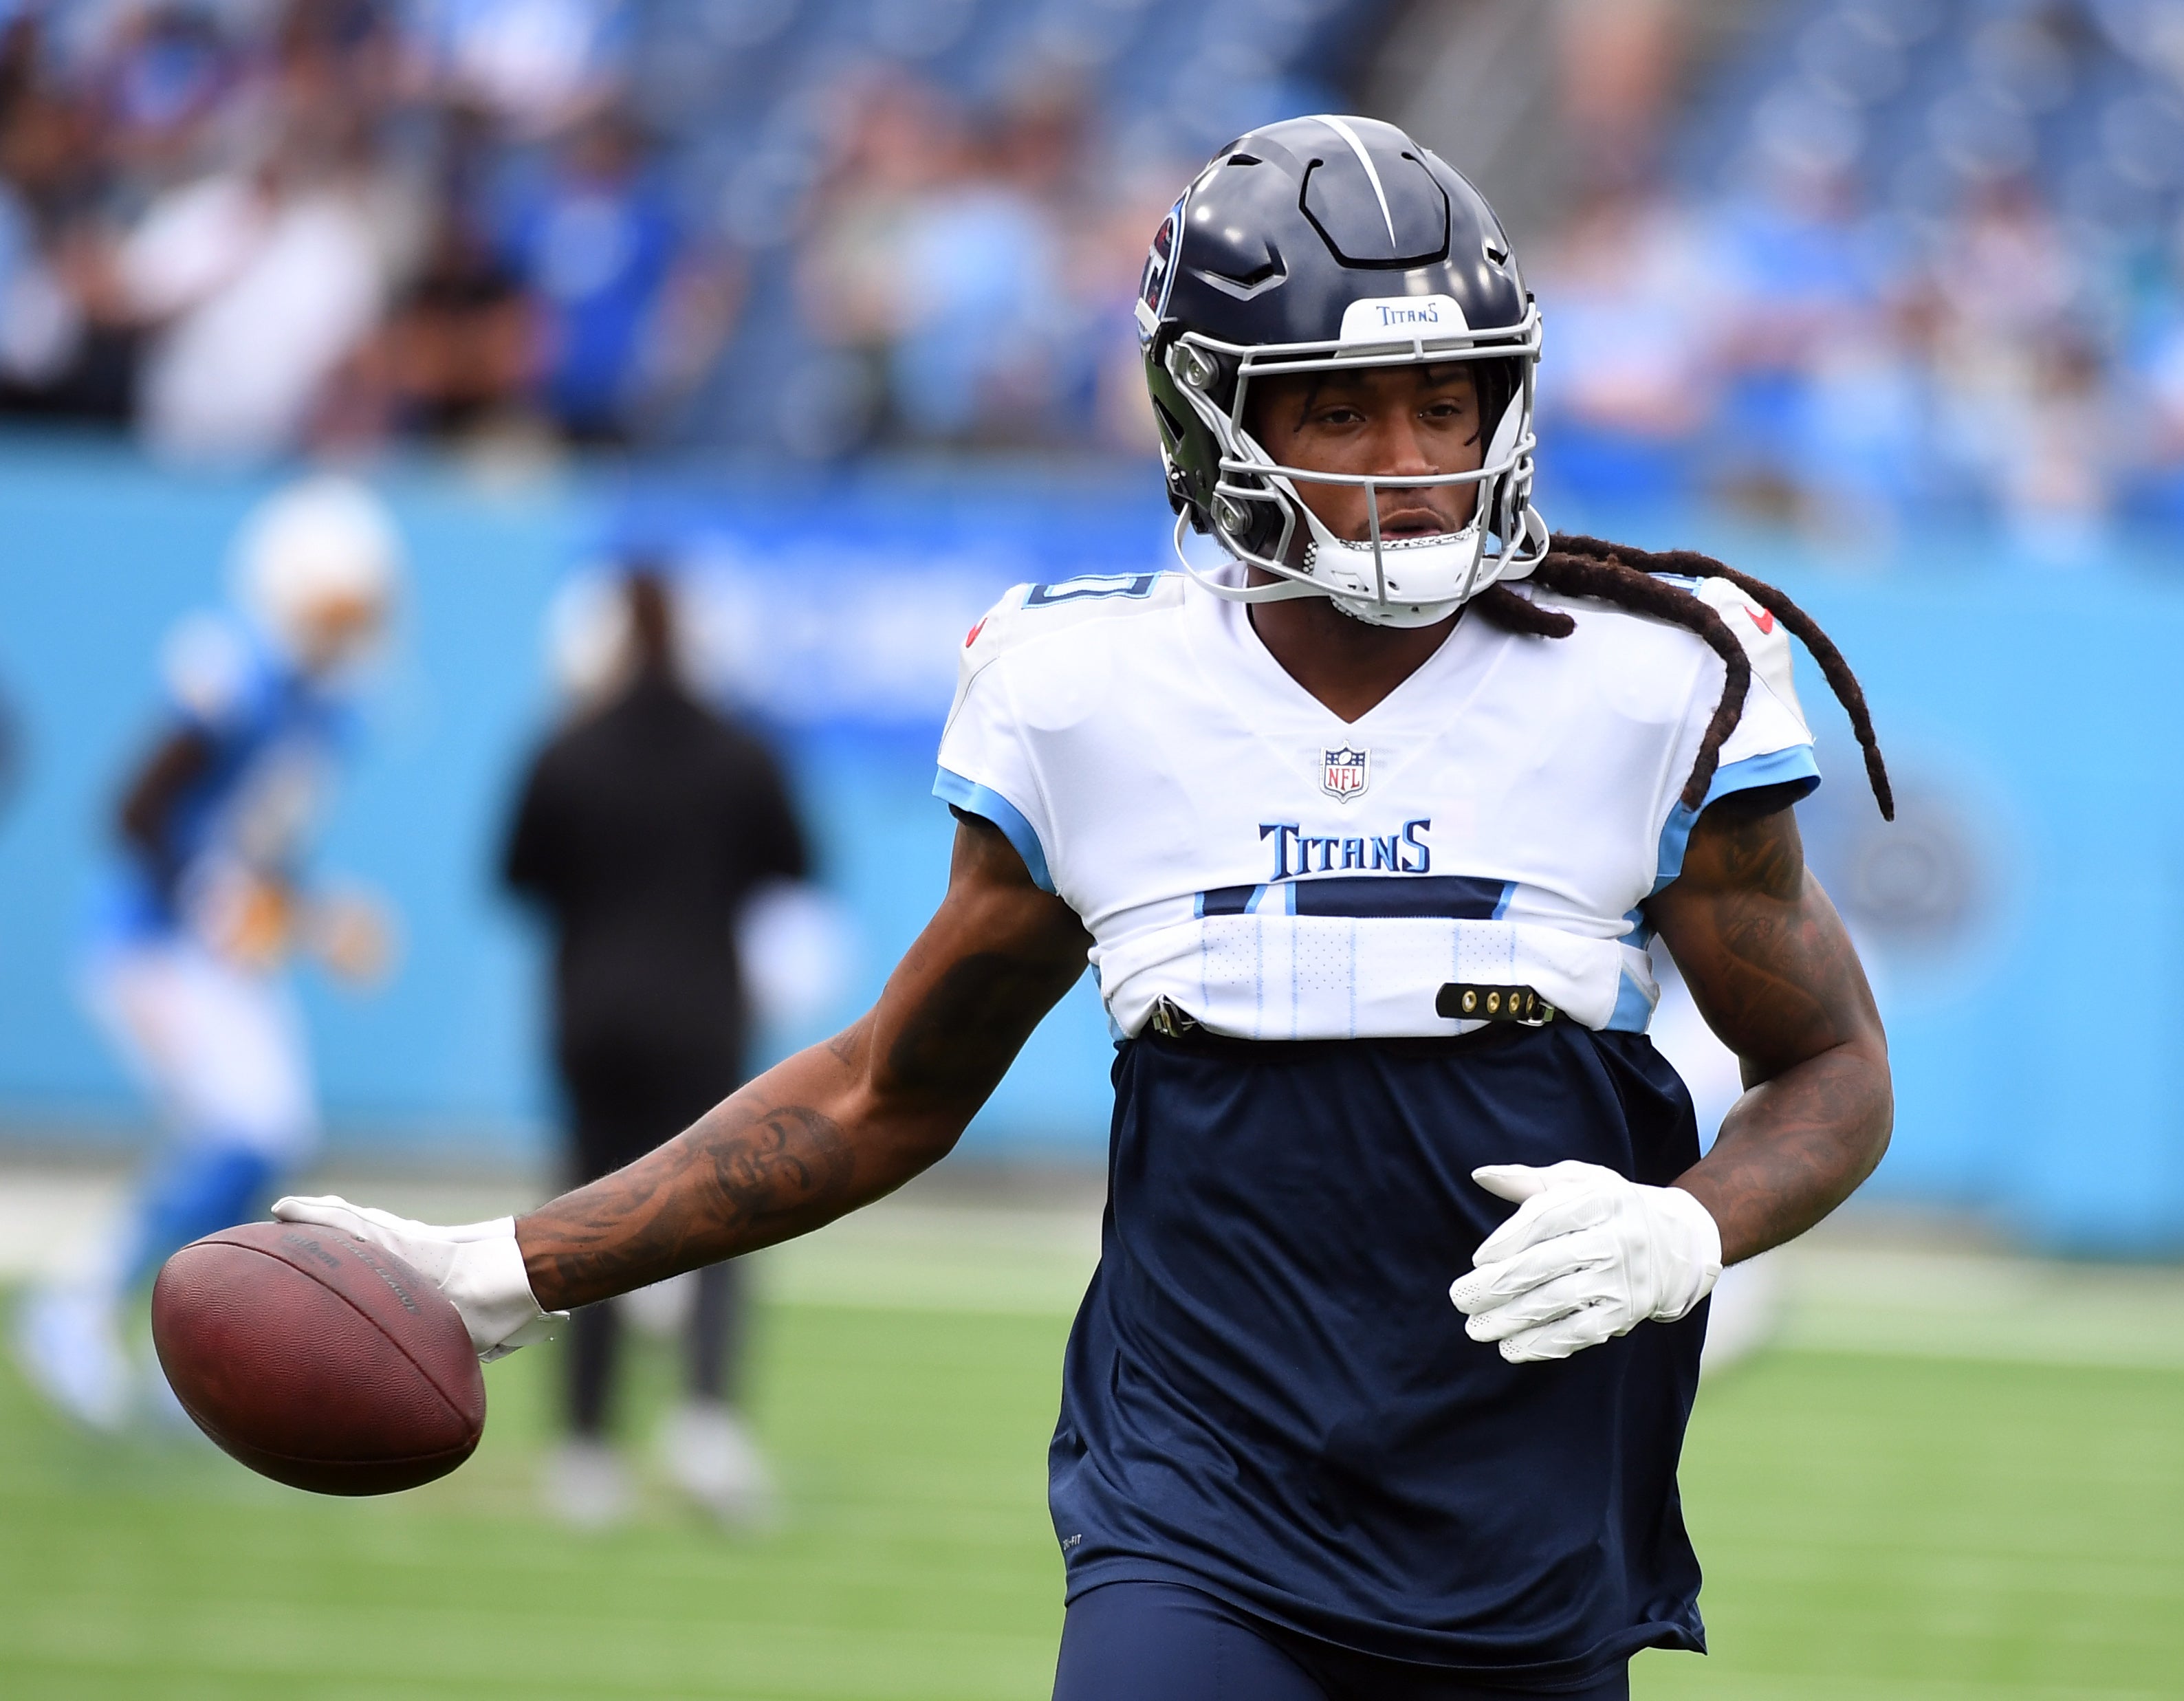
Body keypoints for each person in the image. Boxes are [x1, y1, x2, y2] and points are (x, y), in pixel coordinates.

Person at [275, 116, 1894, 1695]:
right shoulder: (1084, 692)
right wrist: (507, 1266)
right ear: (1206, 417)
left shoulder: (1653, 677)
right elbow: (882, 1090)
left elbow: (1830, 1065)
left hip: (1521, 1531)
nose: (1413, 464)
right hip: (1195, 1507)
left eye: (1448, 401)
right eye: (1339, 410)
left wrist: (1687, 1223)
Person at [15, 475, 400, 1431]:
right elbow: (134, 808)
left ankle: (178, 1342)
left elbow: (252, 849)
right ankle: (75, 1300)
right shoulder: (236, 673)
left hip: (211, 950)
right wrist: (213, 896)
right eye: (336, 605)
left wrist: (313, 916)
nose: (352, 625)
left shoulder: (328, 703)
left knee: (270, 1139)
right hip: (148, 942)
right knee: (245, 1131)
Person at [500, 567, 813, 1530]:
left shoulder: (566, 748)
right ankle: (706, 1421)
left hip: (591, 1014)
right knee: (725, 1209)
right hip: (701, 1015)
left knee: (591, 1215)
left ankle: (587, 1449)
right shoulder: (739, 751)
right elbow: (792, 866)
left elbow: (517, 873)